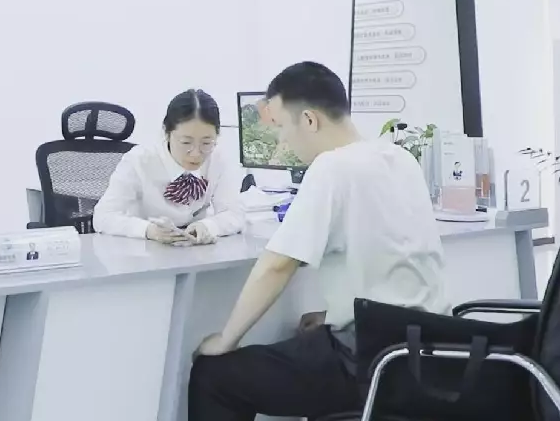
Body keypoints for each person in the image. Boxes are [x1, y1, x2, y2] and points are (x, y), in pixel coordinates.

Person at [188, 61, 449, 420]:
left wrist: (224, 340)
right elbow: (392, 259)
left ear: (309, 120)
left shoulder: (331, 167)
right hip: (428, 354)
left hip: (365, 362)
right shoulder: (401, 159)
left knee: (214, 375)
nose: (282, 141)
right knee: (310, 336)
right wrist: (332, 316)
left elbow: (277, 265)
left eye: (282, 127)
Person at [93, 89, 245, 245]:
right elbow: (103, 217)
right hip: (144, 250)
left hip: (196, 250)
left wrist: (207, 226)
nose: (195, 153)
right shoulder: (139, 160)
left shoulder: (219, 159)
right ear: (166, 133)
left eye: (206, 143)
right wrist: (148, 230)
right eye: (186, 142)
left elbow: (235, 214)